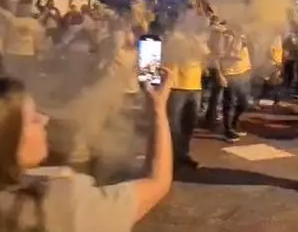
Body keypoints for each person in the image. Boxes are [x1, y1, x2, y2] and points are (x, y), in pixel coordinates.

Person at [0, 74, 173, 231]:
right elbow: (157, 182)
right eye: (32, 120)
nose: (44, 119)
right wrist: (158, 109)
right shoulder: (59, 201)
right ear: (8, 136)